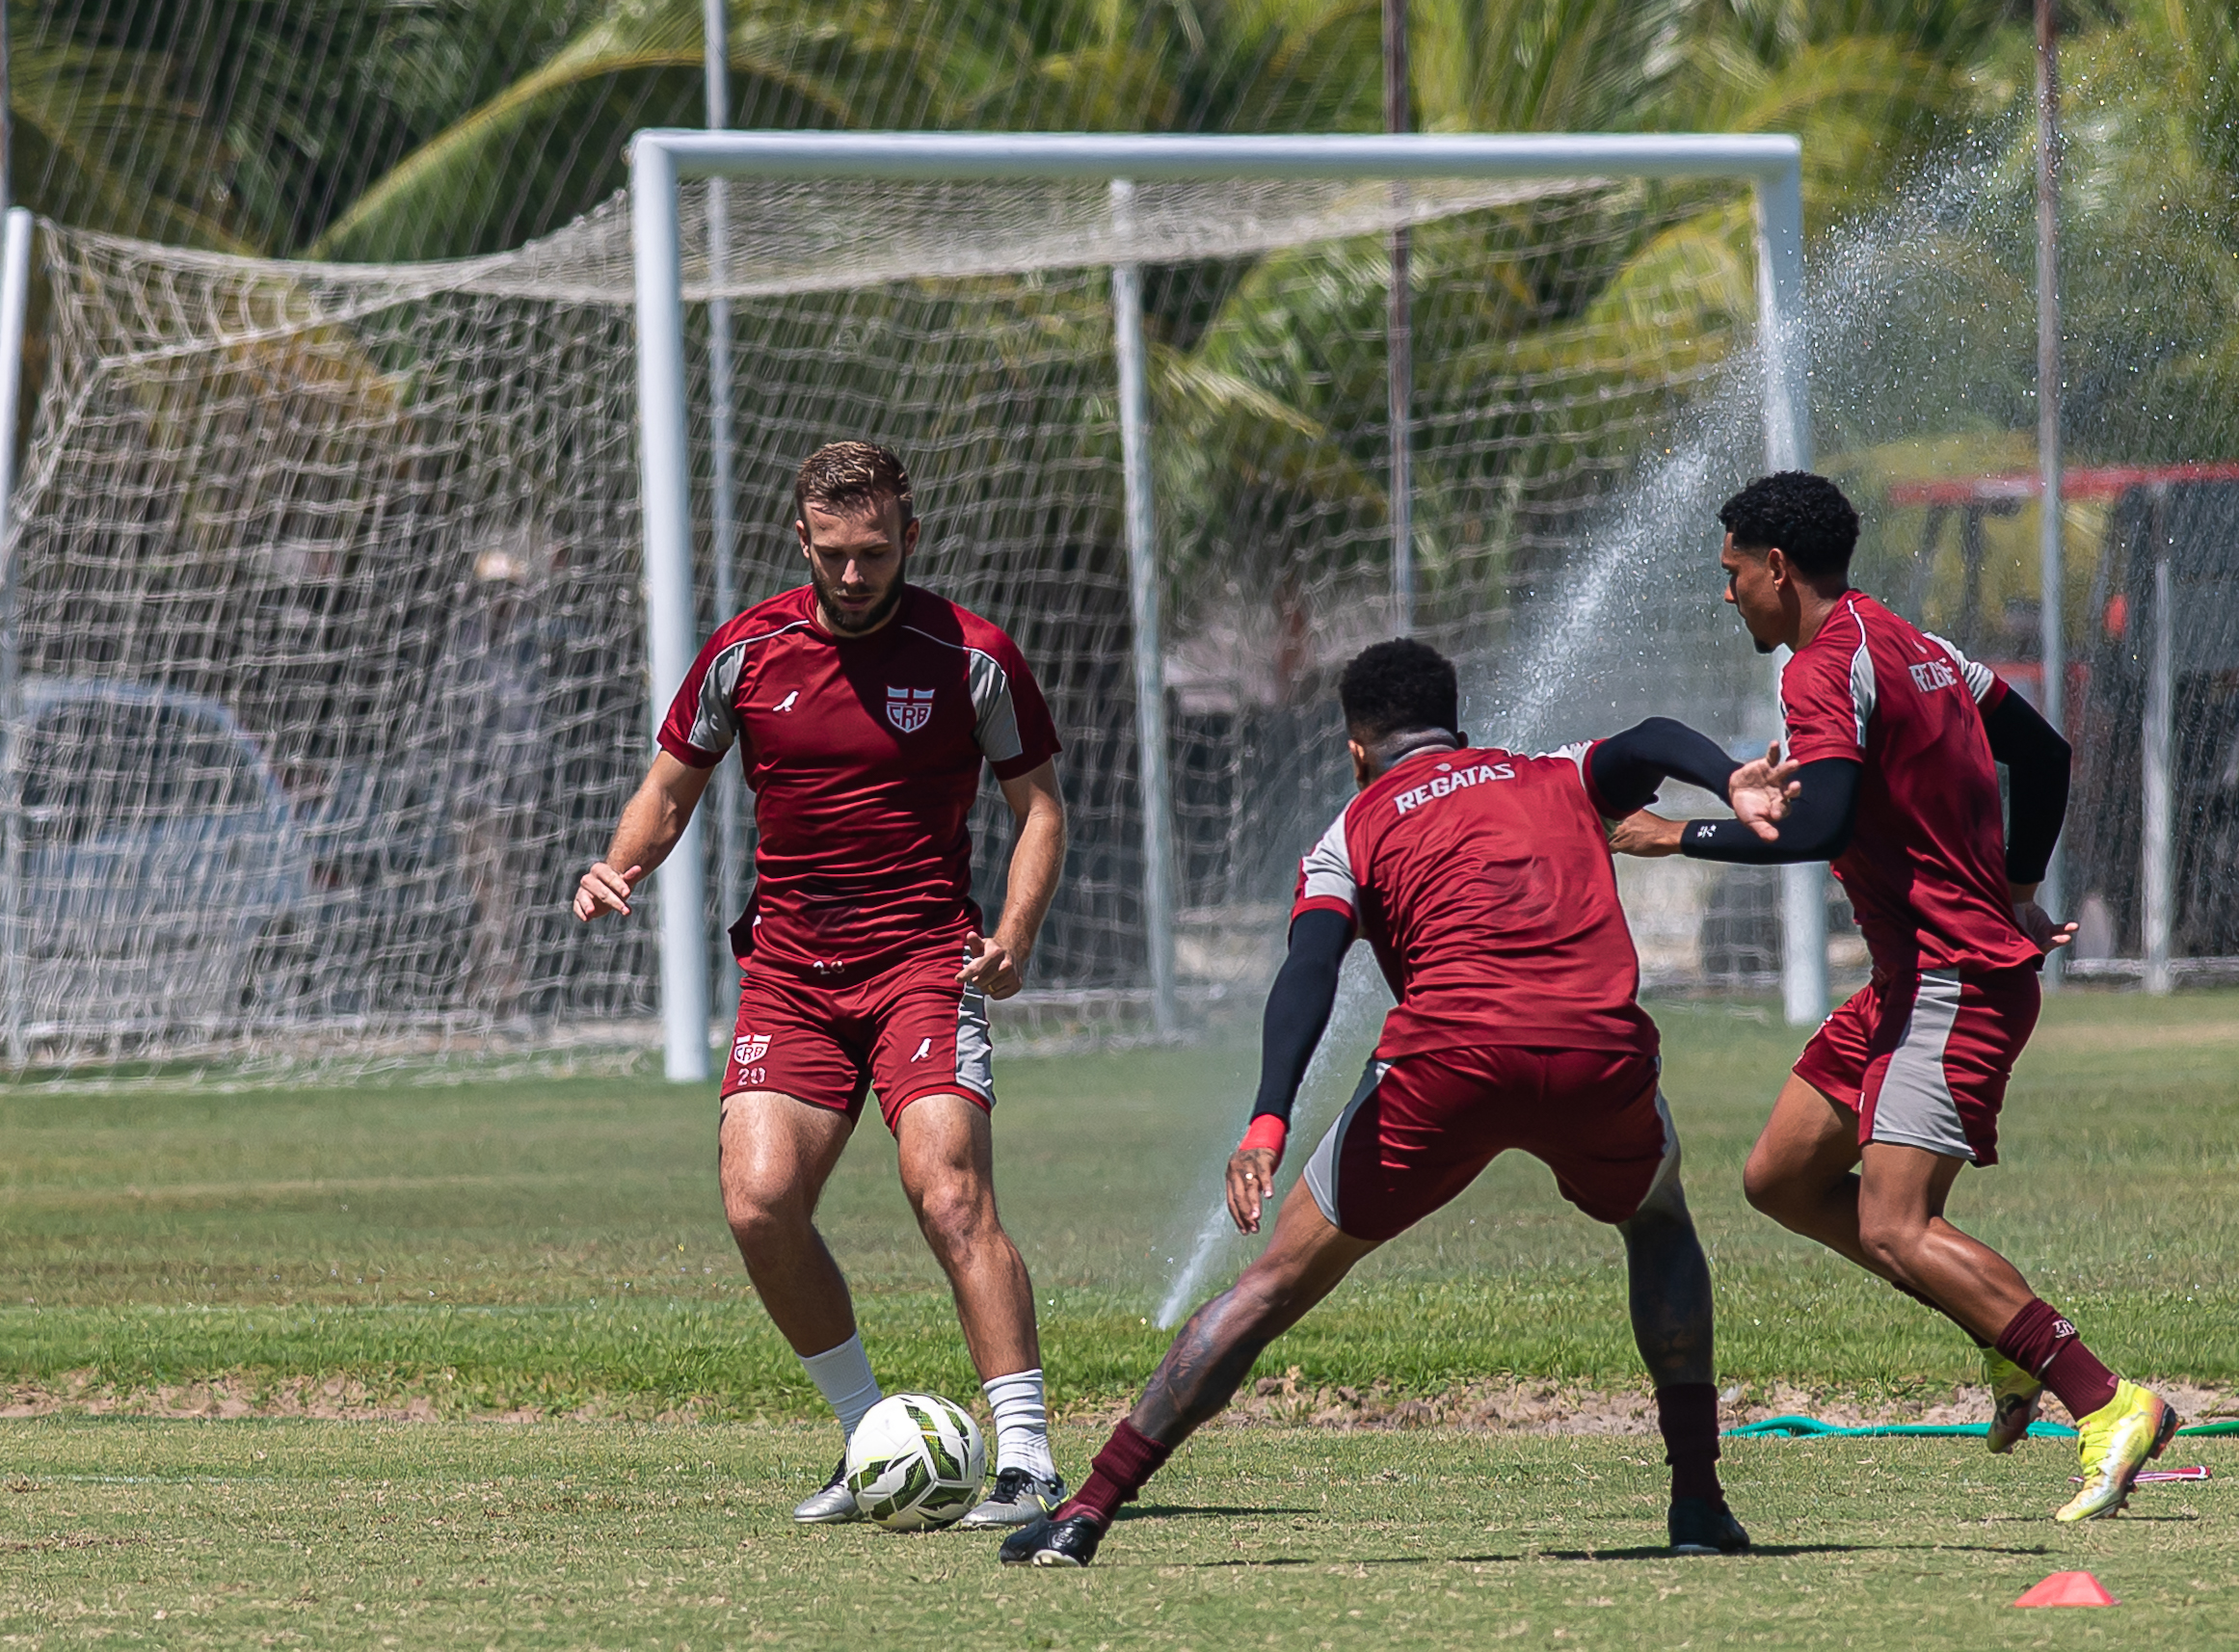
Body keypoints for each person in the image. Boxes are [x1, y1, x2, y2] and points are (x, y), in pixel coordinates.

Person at [1000, 638, 1800, 1567]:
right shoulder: (1555, 771)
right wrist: (1728, 779)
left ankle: (1088, 1511)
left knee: (1270, 1286)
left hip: (1443, 1067)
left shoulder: (1349, 831)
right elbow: (1654, 736)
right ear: (1456, 726)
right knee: (1657, 1219)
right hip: (1594, 1051)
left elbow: (1307, 971)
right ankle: (1697, 1504)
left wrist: (1267, 1119)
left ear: (1355, 749)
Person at [1612, 469, 2173, 1523]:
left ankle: (2105, 1400)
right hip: (1909, 982)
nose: (1727, 593)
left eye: (1733, 573)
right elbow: (2042, 751)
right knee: (1780, 1178)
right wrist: (2015, 886)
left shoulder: (1822, 666)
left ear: (1779, 568)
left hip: (1952, 983)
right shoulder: (1917, 643)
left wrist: (1672, 835)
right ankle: (2002, 1333)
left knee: (1896, 1225)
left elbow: (1820, 821)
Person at [573, 440, 1072, 1530]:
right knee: (759, 1204)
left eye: (876, 553)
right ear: (801, 538)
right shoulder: (746, 652)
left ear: (910, 539)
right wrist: (621, 864)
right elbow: (668, 789)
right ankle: (868, 1438)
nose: (855, 575)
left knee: (948, 1192)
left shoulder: (972, 655)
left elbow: (1039, 805)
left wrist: (1016, 933)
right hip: (791, 976)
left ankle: (1029, 1461)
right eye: (834, 553)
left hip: (922, 965)